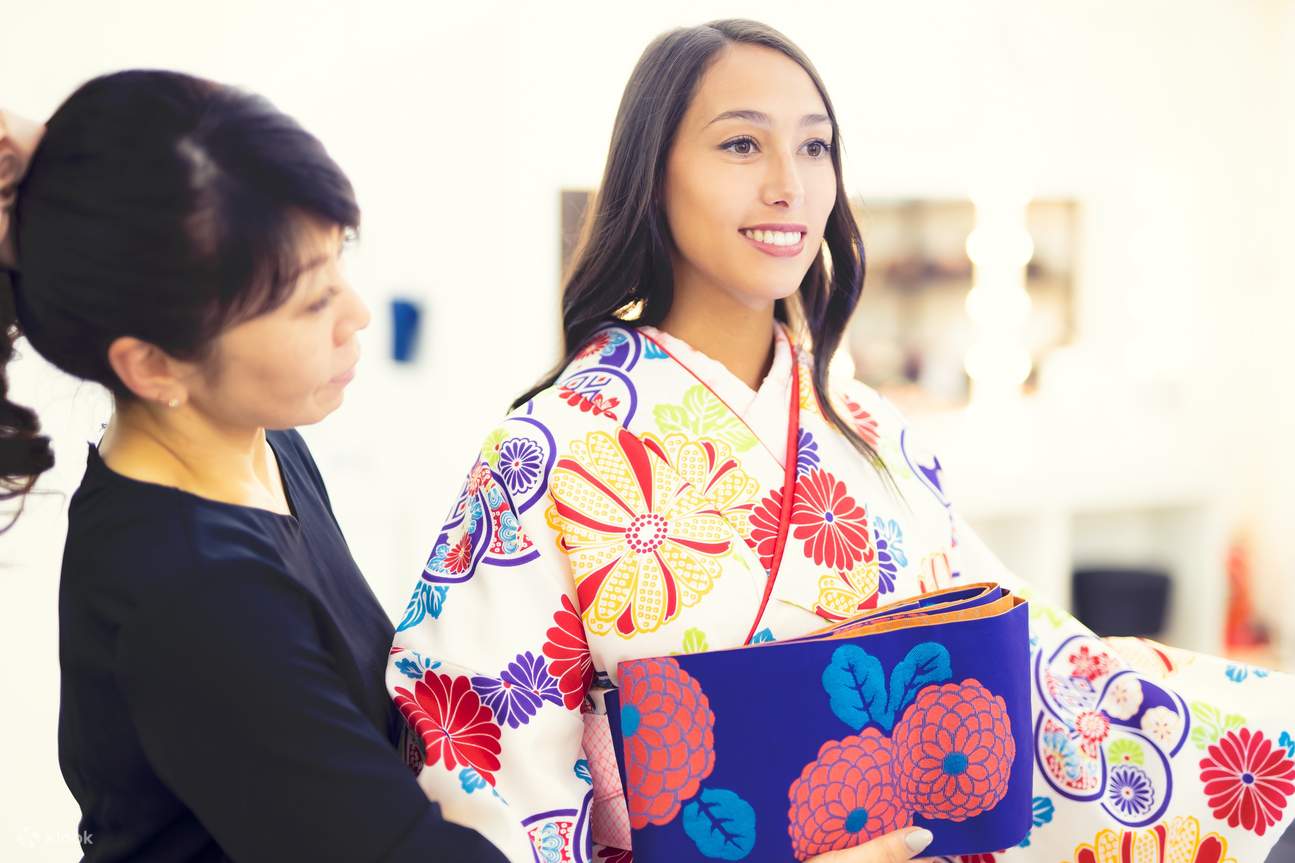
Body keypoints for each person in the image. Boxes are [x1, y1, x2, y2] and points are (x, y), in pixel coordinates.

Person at [387, 18, 1294, 863]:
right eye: (742, 142)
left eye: (814, 145)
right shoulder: (551, 445)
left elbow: (1011, 653)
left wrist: (1220, 718)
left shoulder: (865, 427)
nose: (790, 181)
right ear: (649, 174)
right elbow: (484, 757)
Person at [0, 73, 504, 862]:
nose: (356, 313)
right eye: (308, 302)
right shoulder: (192, 590)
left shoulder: (262, 445)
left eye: (339, 258)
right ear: (156, 365)